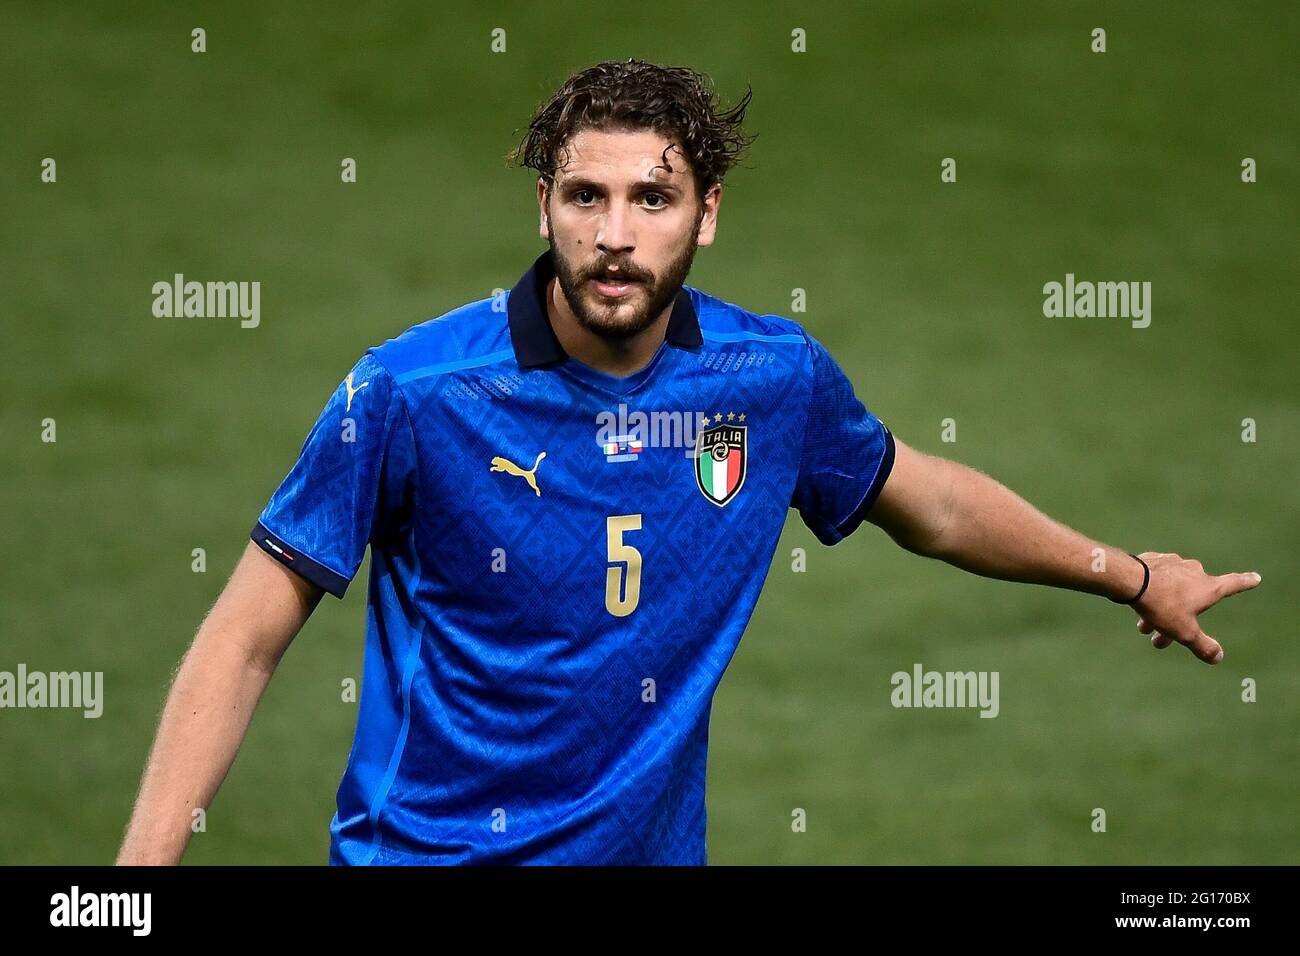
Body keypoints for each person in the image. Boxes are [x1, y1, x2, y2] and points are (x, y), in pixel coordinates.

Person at [117, 59, 1261, 866]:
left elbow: (928, 499)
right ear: (544, 205)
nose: (615, 233)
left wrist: (1130, 573)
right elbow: (247, 635)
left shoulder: (770, 380)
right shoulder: (415, 393)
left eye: (651, 198)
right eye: (586, 196)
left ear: (706, 214)